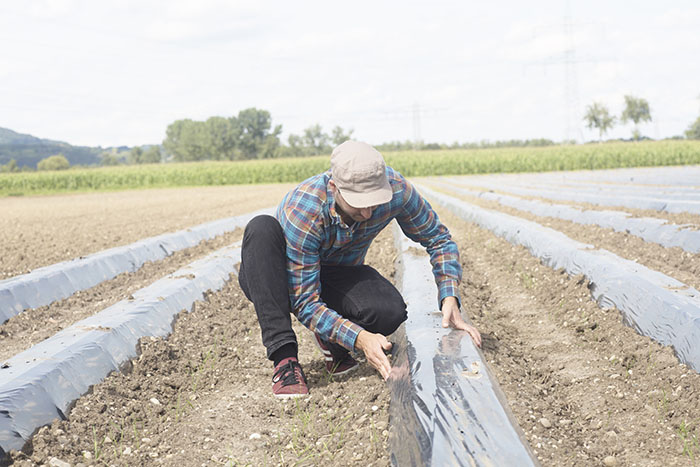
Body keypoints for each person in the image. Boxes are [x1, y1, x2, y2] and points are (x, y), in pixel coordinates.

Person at [237, 140, 481, 398]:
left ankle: (331, 341)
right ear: (334, 188)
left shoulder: (397, 190)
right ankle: (285, 361)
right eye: (358, 203)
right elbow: (305, 301)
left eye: (373, 202)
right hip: (283, 277)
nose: (366, 212)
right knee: (261, 228)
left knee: (389, 311)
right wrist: (361, 339)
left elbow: (438, 238)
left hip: (336, 271)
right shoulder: (304, 209)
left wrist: (449, 294)